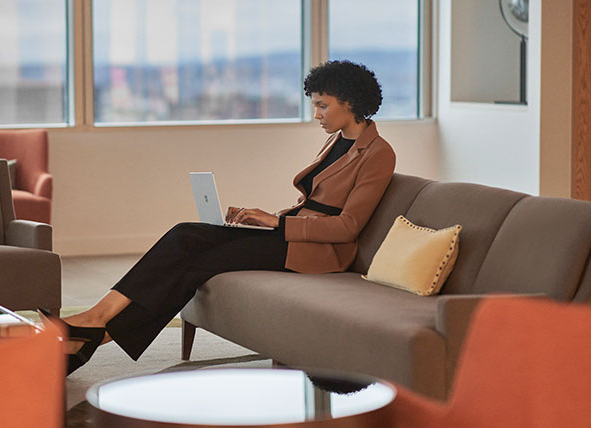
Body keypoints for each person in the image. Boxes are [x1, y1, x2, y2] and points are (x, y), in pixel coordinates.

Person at [40, 60, 397, 375]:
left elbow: (348, 226)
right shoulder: (337, 141)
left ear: (350, 103)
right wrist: (265, 217)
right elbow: (315, 203)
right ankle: (94, 321)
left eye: (323, 106)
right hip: (291, 234)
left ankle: (91, 333)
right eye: (315, 105)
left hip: (318, 254)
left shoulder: (379, 153)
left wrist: (278, 224)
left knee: (201, 262)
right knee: (185, 235)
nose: (316, 114)